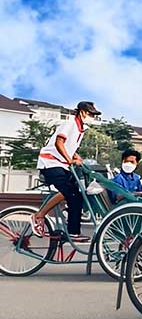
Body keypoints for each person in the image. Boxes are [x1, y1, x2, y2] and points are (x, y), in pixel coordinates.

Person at [31, 101, 101, 241]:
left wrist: (77, 158)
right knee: (69, 192)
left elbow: (70, 148)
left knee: (78, 194)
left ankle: (73, 230)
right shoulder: (70, 124)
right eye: (91, 114)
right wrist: (69, 160)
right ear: (82, 112)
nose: (92, 117)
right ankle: (39, 215)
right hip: (50, 163)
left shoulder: (80, 129)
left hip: (60, 165)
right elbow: (59, 143)